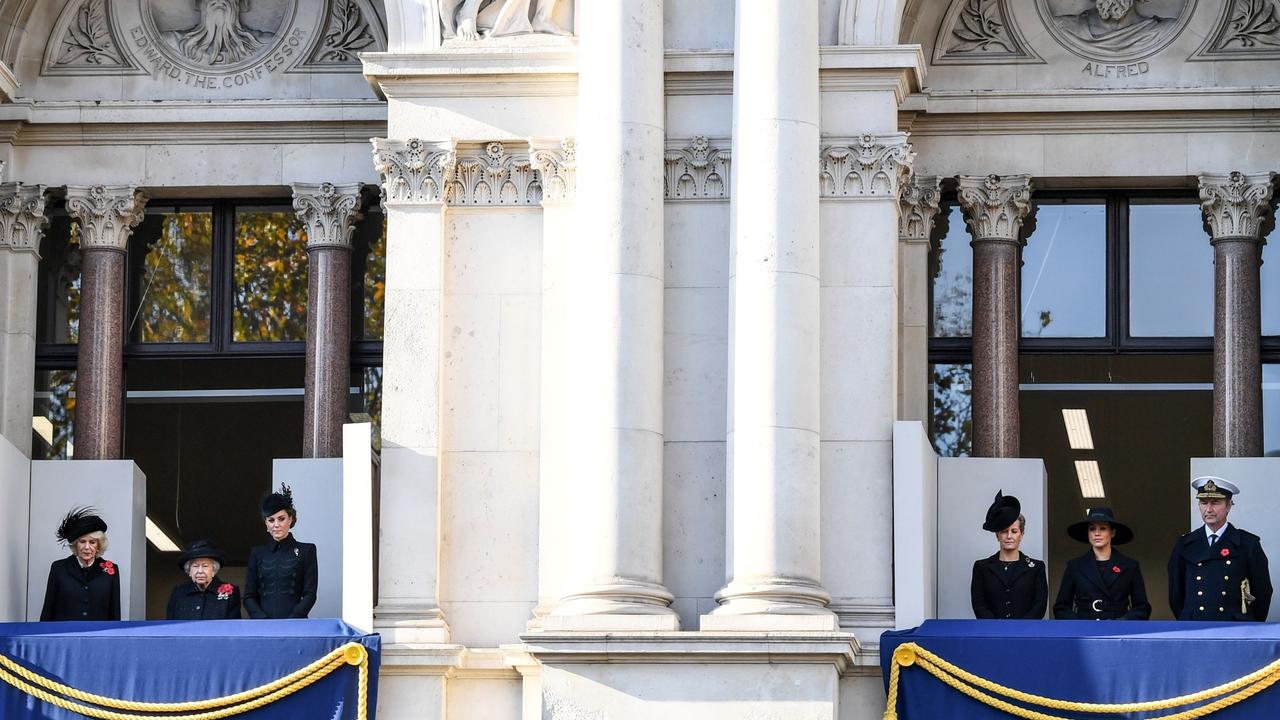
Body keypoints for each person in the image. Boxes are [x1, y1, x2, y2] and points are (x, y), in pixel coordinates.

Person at [1167, 476, 1272, 621]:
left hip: (1233, 627)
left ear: (1228, 506)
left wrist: (1251, 625)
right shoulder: (1185, 544)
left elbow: (1263, 591)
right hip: (1195, 625)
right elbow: (1175, 593)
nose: (1208, 509)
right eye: (1204, 503)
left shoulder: (1247, 544)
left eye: (1215, 503)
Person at [1053, 506, 1150, 620]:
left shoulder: (1130, 566)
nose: (1097, 533)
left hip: (1117, 632)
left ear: (1112, 532)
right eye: (1092, 529)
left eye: (1103, 528)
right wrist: (1078, 625)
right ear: (1087, 533)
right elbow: (1061, 607)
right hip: (1084, 631)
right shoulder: (1074, 566)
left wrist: (1122, 624)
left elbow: (1142, 607)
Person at [244, 484, 318, 619]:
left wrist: (293, 619)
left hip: (295, 625)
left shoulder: (307, 551)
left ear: (290, 519)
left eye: (281, 518)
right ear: (266, 523)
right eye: (271, 520)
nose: (276, 524)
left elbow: (310, 594)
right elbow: (249, 596)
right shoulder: (257, 553)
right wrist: (262, 620)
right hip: (262, 627)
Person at [971, 491, 1048, 619]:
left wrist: (1020, 629)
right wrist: (996, 628)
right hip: (992, 633)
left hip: (1026, 634)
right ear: (997, 535)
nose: (1009, 536)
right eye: (1004, 531)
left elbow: (1039, 605)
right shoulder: (982, 567)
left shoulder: (1036, 568)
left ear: (1021, 535)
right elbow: (979, 605)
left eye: (1014, 531)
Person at [40, 507, 121, 621]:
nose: (87, 547)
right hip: (64, 635)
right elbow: (48, 609)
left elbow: (115, 612)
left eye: (92, 542)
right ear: (75, 545)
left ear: (98, 545)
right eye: (82, 541)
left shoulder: (111, 570)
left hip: (97, 635)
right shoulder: (59, 568)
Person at [166, 539, 241, 620]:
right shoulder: (179, 592)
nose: (200, 571)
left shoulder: (231, 592)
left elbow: (233, 627)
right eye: (195, 566)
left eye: (205, 566)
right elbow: (170, 625)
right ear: (189, 571)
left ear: (214, 570)